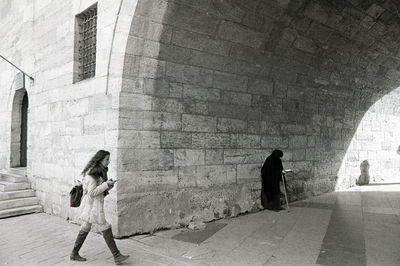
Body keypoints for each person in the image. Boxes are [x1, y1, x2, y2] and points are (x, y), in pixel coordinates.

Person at [70, 150, 129, 264]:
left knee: (86, 227)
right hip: (93, 208)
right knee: (105, 227)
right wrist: (106, 184)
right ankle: (116, 255)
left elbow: (100, 190)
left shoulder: (99, 173)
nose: (108, 162)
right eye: (107, 159)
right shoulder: (92, 176)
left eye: (109, 159)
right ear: (100, 160)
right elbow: (92, 192)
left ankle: (74, 253)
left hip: (94, 206)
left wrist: (108, 185)